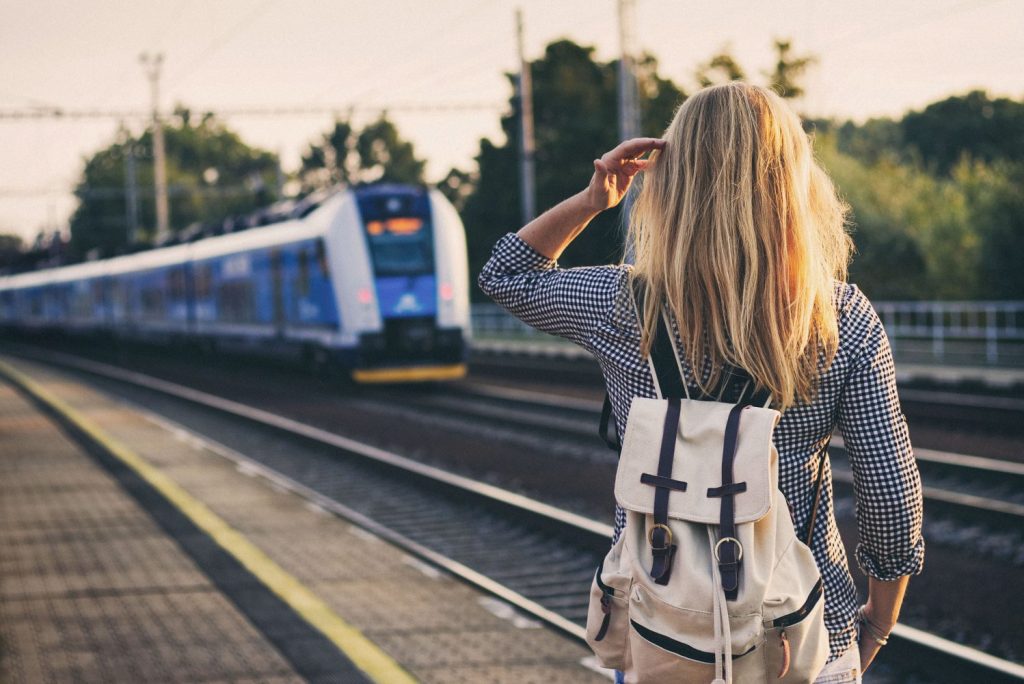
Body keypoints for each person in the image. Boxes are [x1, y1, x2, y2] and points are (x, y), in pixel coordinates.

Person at [477, 82, 924, 683]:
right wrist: (875, 623)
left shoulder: (620, 304)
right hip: (802, 635)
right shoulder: (838, 318)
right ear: (793, 181)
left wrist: (593, 199)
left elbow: (505, 275)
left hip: (661, 634)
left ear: (672, 182)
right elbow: (891, 500)